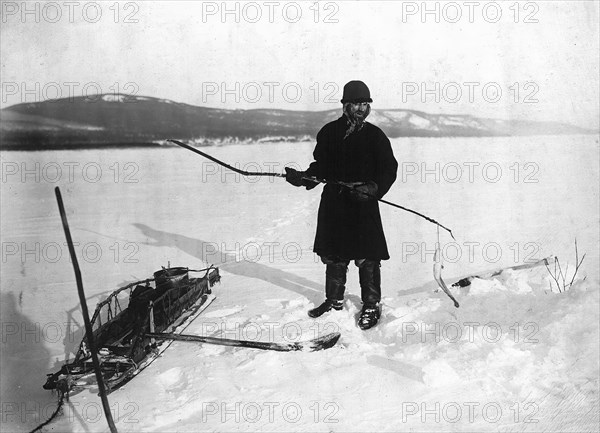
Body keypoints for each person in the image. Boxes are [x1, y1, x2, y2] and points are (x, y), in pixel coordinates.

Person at [285, 80, 398, 330]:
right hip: (335, 201)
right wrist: (304, 177)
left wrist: (373, 188)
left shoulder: (375, 136)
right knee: (334, 254)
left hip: (363, 202)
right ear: (345, 105)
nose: (362, 108)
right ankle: (333, 300)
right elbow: (321, 166)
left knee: (367, 256)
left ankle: (371, 304)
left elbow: (389, 169)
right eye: (357, 103)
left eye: (366, 104)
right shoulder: (329, 133)